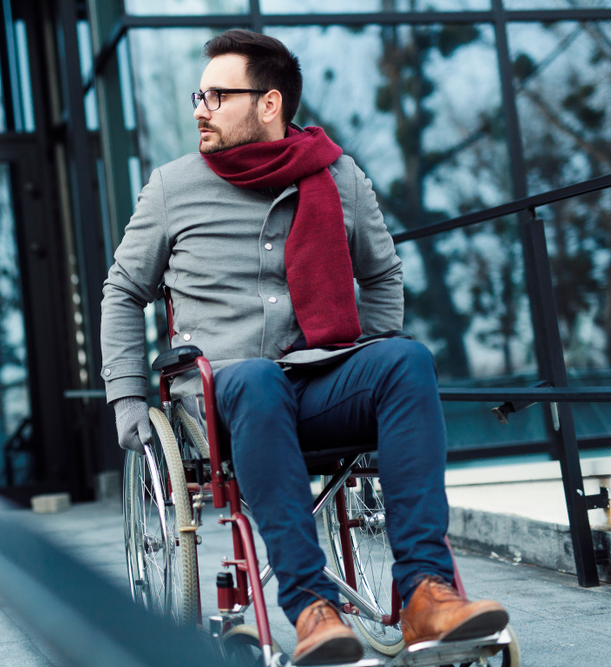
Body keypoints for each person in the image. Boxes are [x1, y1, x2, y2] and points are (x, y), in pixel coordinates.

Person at [100, 29, 508, 665]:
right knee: (258, 380)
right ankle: (311, 606)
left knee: (406, 361)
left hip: (319, 381)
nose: (199, 108)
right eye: (197, 94)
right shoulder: (171, 188)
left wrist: (364, 352)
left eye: (216, 94)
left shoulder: (337, 177)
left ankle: (426, 592)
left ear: (270, 104)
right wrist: (127, 400)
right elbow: (123, 292)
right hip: (218, 398)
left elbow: (381, 273)